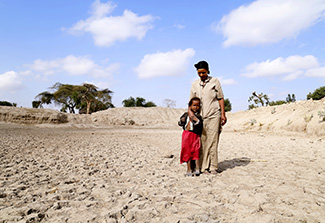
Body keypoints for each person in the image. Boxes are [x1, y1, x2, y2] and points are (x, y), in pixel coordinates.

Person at [189, 60, 227, 174]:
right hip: (200, 118)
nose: (201, 75)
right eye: (199, 73)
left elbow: (220, 98)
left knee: (213, 140)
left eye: (204, 72)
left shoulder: (215, 81)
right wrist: (191, 115)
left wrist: (223, 115)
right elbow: (191, 102)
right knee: (203, 141)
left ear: (208, 71)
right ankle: (204, 167)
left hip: (214, 115)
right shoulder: (194, 84)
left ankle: (213, 167)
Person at [178, 97, 203, 176]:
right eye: (194, 105)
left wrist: (196, 120)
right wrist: (182, 121)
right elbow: (180, 123)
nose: (196, 107)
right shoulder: (186, 114)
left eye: (198, 105)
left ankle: (197, 168)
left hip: (195, 136)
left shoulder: (198, 116)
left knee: (196, 151)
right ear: (190, 106)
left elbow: (200, 126)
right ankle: (189, 169)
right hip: (187, 135)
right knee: (187, 152)